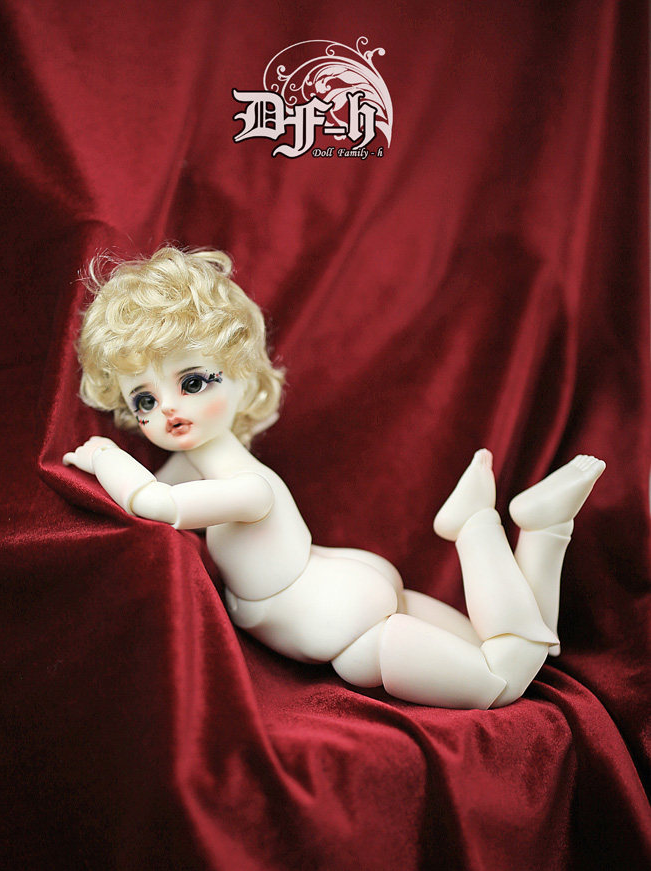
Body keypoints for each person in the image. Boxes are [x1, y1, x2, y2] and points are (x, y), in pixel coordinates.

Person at [64, 246, 605, 709]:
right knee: (497, 643)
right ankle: (536, 529)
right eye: (144, 400)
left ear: (243, 374)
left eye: (192, 382)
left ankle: (488, 529)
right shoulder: (205, 463)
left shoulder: (249, 489)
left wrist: (104, 455)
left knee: (503, 679)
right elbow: (168, 479)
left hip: (351, 628)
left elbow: (155, 502)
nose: (167, 409)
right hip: (343, 589)